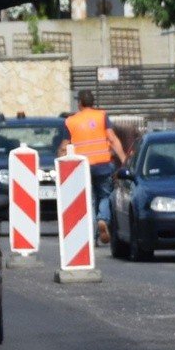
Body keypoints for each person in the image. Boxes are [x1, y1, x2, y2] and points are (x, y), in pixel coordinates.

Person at [64, 90, 128, 244]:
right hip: (103, 164)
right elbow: (112, 138)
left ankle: (91, 236)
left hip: (81, 166)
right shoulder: (102, 116)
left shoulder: (70, 121)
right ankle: (103, 219)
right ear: (93, 102)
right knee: (105, 195)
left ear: (79, 103)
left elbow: (65, 146)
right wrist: (124, 159)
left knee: (88, 200)